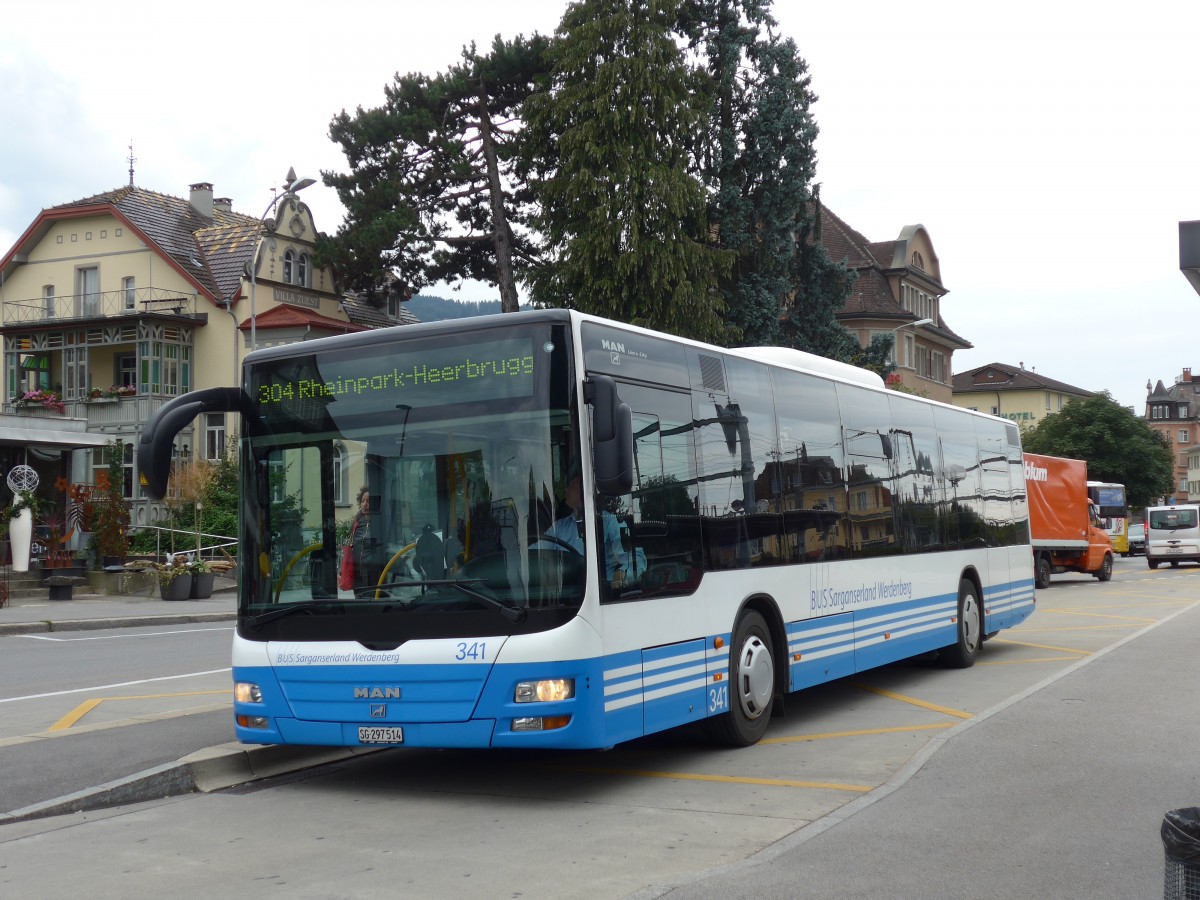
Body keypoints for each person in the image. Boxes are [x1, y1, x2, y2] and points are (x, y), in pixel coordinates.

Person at [542, 474, 629, 585]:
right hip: (564, 592)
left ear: (584, 491)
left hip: (601, 591)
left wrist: (621, 573)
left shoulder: (609, 522)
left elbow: (633, 557)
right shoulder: (559, 526)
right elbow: (538, 550)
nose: (566, 489)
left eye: (571, 485)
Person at [339, 485, 373, 593]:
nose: (365, 504)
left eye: (368, 501)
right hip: (357, 575)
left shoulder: (379, 523)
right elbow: (349, 548)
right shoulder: (357, 522)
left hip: (374, 576)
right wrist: (342, 570)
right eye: (363, 501)